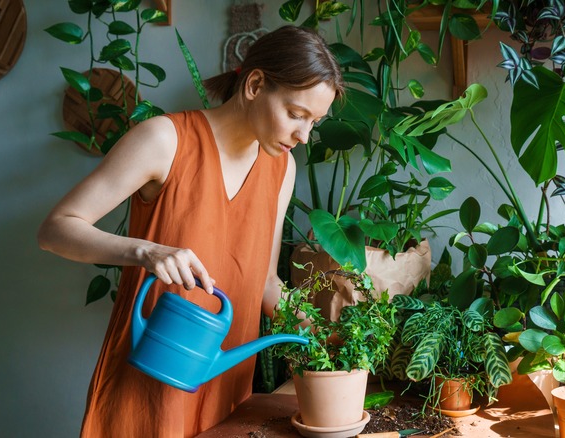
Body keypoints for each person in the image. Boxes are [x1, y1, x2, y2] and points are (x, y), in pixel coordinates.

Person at [38, 25, 343, 437]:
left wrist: (327, 335)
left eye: (314, 122)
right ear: (255, 84)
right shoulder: (164, 140)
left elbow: (265, 282)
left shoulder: (281, 167)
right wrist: (147, 251)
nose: (303, 136)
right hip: (151, 383)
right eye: (295, 114)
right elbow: (56, 229)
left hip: (226, 387)